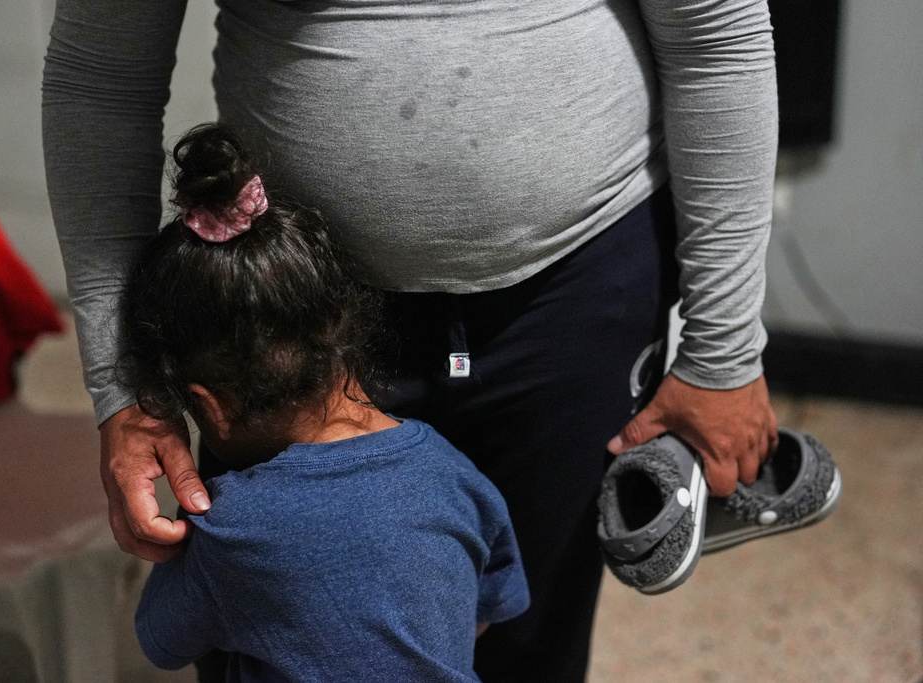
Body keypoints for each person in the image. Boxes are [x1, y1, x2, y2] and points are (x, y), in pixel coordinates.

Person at [42, 0, 780, 679]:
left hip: (578, 287)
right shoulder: (258, 455)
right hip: (280, 322)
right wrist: (125, 389)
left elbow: (718, 36)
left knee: (536, 649)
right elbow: (99, 75)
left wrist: (722, 354)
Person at [126, 123, 530, 681]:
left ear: (209, 406)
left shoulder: (233, 525)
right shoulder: (453, 472)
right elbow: (487, 607)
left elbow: (163, 640)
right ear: (343, 329)